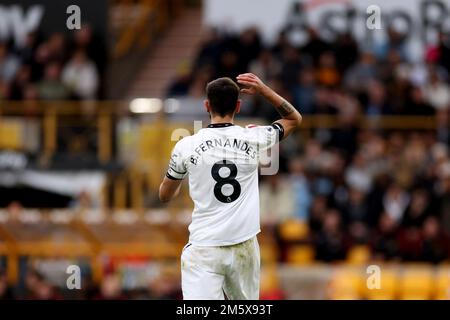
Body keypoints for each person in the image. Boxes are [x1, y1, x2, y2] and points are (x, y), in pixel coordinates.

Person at [158, 73, 302, 300]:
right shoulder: (254, 137)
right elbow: (294, 119)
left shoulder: (186, 145)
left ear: (206, 105)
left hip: (204, 247)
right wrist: (264, 91)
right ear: (238, 105)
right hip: (243, 246)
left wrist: (179, 181)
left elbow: (165, 195)